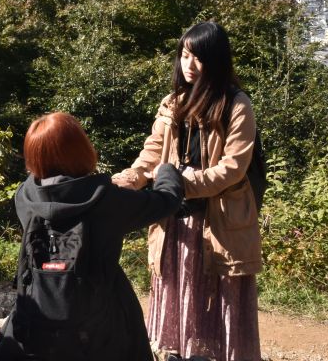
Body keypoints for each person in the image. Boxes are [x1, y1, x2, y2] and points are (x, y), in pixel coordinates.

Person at [113, 21, 263, 361]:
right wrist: (132, 177)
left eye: (198, 57)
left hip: (219, 224)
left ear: (217, 61)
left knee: (218, 300)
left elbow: (232, 167)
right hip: (176, 221)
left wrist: (178, 183)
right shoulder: (172, 103)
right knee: (180, 296)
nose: (188, 65)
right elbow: (153, 152)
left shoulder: (237, 105)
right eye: (184, 55)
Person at [0, 112, 184, 361]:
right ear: (82, 150)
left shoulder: (24, 199)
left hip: (37, 324)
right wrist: (167, 171)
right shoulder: (106, 200)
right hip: (101, 328)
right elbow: (166, 201)